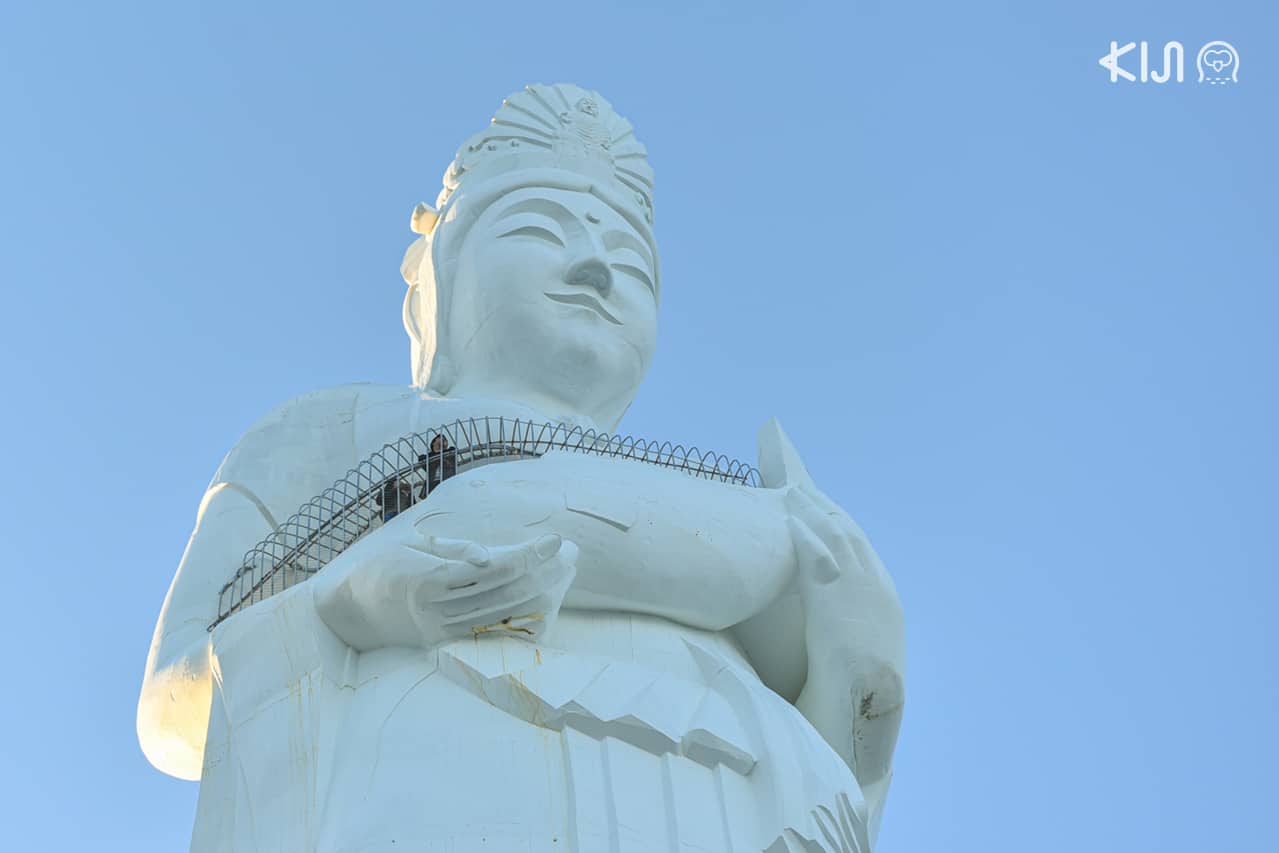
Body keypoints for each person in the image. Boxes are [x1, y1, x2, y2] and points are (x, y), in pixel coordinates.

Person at [137, 84, 904, 852]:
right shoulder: (330, 430)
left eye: (632, 264)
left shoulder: (749, 515)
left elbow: (842, 764)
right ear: (434, 277)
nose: (597, 270)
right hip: (441, 790)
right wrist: (351, 601)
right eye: (540, 228)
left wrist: (860, 670)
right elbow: (173, 710)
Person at [416, 434, 458, 498]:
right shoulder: (425, 457)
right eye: (439, 438)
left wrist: (436, 460)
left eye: (445, 439)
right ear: (433, 443)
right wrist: (442, 459)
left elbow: (452, 457)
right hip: (432, 486)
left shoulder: (451, 450)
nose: (443, 439)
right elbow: (423, 462)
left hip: (448, 483)